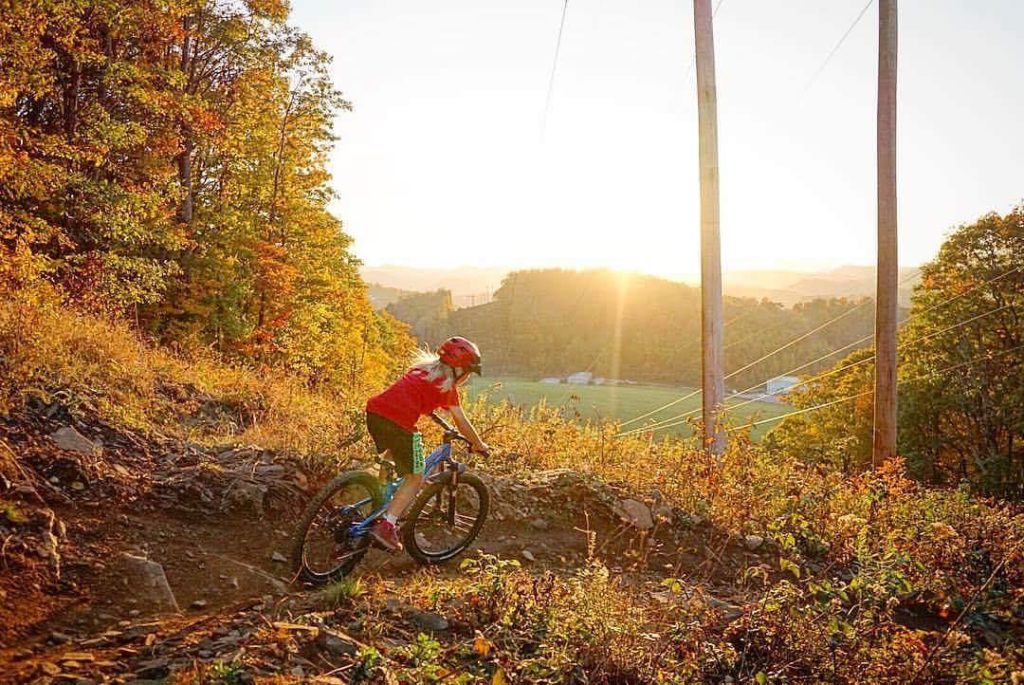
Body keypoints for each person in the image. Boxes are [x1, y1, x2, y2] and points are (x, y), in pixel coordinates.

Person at [364, 336, 490, 551]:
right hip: (399, 424)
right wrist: (478, 443)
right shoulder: (447, 388)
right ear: (460, 370)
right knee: (416, 477)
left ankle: (378, 502)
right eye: (467, 373)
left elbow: (411, 395)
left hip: (374, 413)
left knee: (391, 458)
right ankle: (387, 525)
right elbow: (461, 421)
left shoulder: (420, 371)